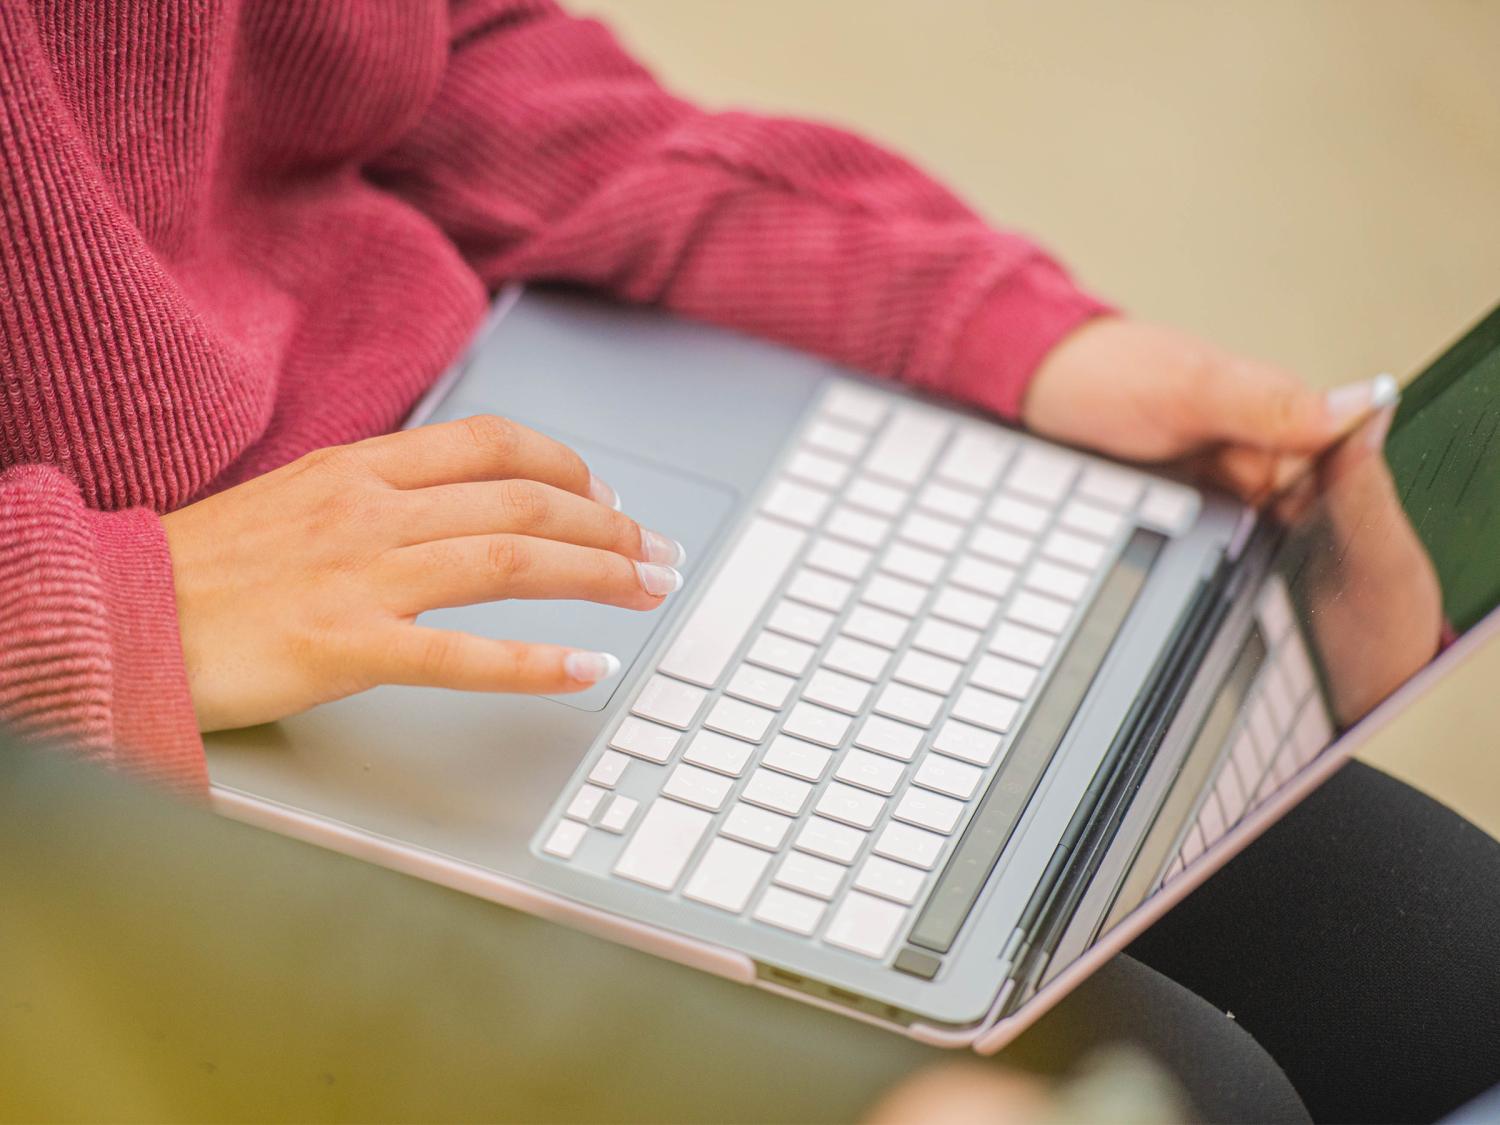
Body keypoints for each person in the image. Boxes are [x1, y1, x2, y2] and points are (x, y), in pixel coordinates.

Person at [1, 3, 1495, 1121]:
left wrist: (999, 333)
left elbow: (459, 55)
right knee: (1195, 1091)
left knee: (1449, 959)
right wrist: (102, 610)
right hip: (120, 756)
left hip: (522, 448)